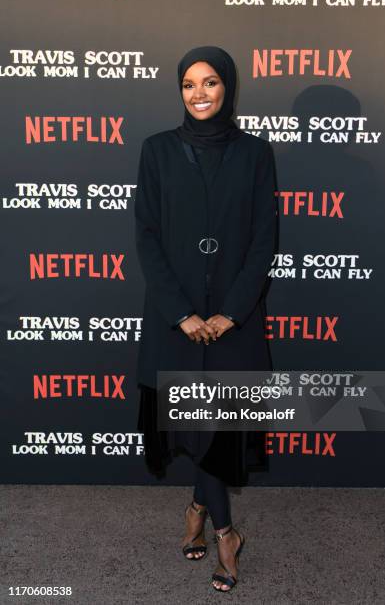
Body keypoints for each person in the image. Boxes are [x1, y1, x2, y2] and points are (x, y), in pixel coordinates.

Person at [135, 45, 278, 592]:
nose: (199, 93)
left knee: (214, 427)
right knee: (197, 425)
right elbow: (147, 238)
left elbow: (264, 241)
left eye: (210, 82)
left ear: (228, 89)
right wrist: (183, 315)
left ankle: (209, 518)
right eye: (189, 83)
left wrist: (229, 315)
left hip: (231, 325)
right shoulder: (156, 151)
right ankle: (224, 531)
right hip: (177, 323)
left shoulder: (256, 153)